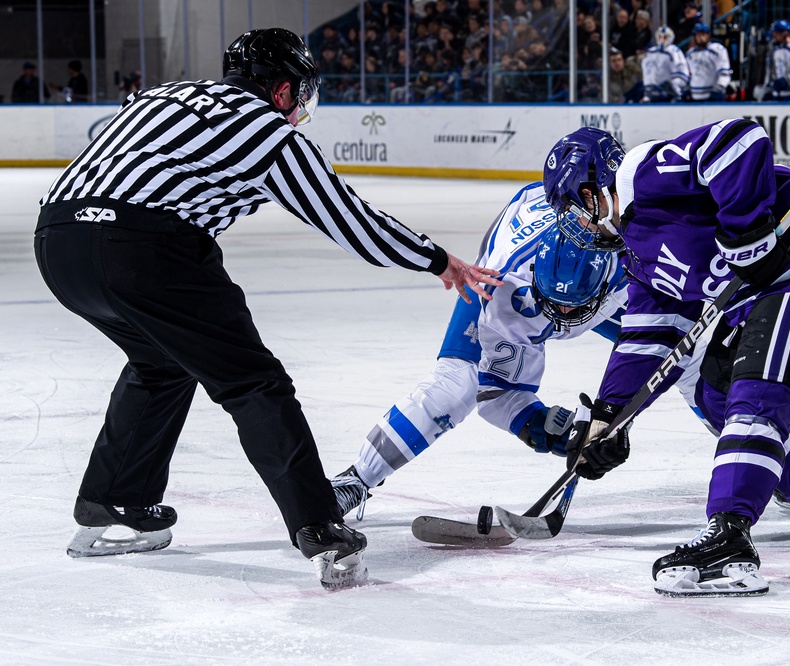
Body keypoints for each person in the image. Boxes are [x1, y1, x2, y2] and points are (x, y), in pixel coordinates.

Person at [33, 28, 499, 591]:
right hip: (144, 248)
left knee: (161, 363)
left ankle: (114, 501)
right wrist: (435, 260)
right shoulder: (267, 132)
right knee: (255, 385)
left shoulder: (164, 95)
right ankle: (320, 526)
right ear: (282, 90)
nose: (302, 107)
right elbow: (346, 219)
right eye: (300, 93)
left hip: (58, 241)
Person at [542, 123, 790, 596]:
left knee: (758, 395)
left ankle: (729, 536)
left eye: (574, 210)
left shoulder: (642, 175)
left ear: (592, 186)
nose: (579, 224)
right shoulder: (637, 255)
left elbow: (739, 140)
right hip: (763, 289)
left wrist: (747, 232)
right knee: (717, 392)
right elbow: (648, 337)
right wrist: (610, 417)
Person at [327, 179, 651, 518]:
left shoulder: (636, 262)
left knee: (691, 356)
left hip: (604, 280)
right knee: (455, 387)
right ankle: (356, 478)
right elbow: (498, 392)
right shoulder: (507, 292)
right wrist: (555, 430)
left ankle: (716, 501)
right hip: (510, 273)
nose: (564, 315)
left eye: (573, 307)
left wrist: (614, 419)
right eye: (557, 303)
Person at [756, 19, 790, 102]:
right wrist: (768, 88)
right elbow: (773, 72)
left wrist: (786, 80)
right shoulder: (775, 50)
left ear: (784, 33)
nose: (773, 36)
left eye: (776, 33)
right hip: (778, 95)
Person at [641, 26, 691, 102]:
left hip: (667, 95)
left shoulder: (674, 51)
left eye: (665, 37)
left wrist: (673, 88)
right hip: (650, 93)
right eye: (660, 37)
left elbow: (682, 74)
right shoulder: (650, 52)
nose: (662, 40)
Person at [685, 22, 732, 101]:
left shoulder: (717, 50)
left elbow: (724, 73)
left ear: (708, 35)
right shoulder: (690, 54)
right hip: (694, 97)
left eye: (703, 34)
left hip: (712, 96)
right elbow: (687, 74)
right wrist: (686, 89)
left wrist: (720, 87)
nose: (700, 37)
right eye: (698, 34)